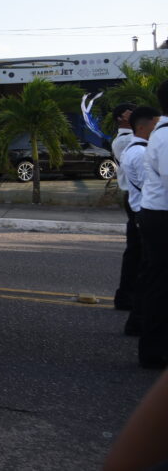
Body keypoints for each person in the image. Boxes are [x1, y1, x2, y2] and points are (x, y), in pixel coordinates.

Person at [139, 82, 168, 370]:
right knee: (161, 285)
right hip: (163, 216)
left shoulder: (162, 133)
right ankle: (154, 351)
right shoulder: (167, 135)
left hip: (157, 214)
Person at [122, 106, 158, 338]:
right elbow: (150, 186)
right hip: (142, 213)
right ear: (143, 127)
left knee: (142, 268)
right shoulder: (140, 153)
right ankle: (138, 320)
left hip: (138, 212)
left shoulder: (136, 149)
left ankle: (137, 317)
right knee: (147, 272)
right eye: (156, 125)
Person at [112, 103, 141, 311]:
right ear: (120, 119)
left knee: (139, 250)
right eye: (128, 112)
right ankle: (125, 296)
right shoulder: (124, 141)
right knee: (136, 250)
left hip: (138, 198)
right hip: (134, 198)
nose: (133, 113)